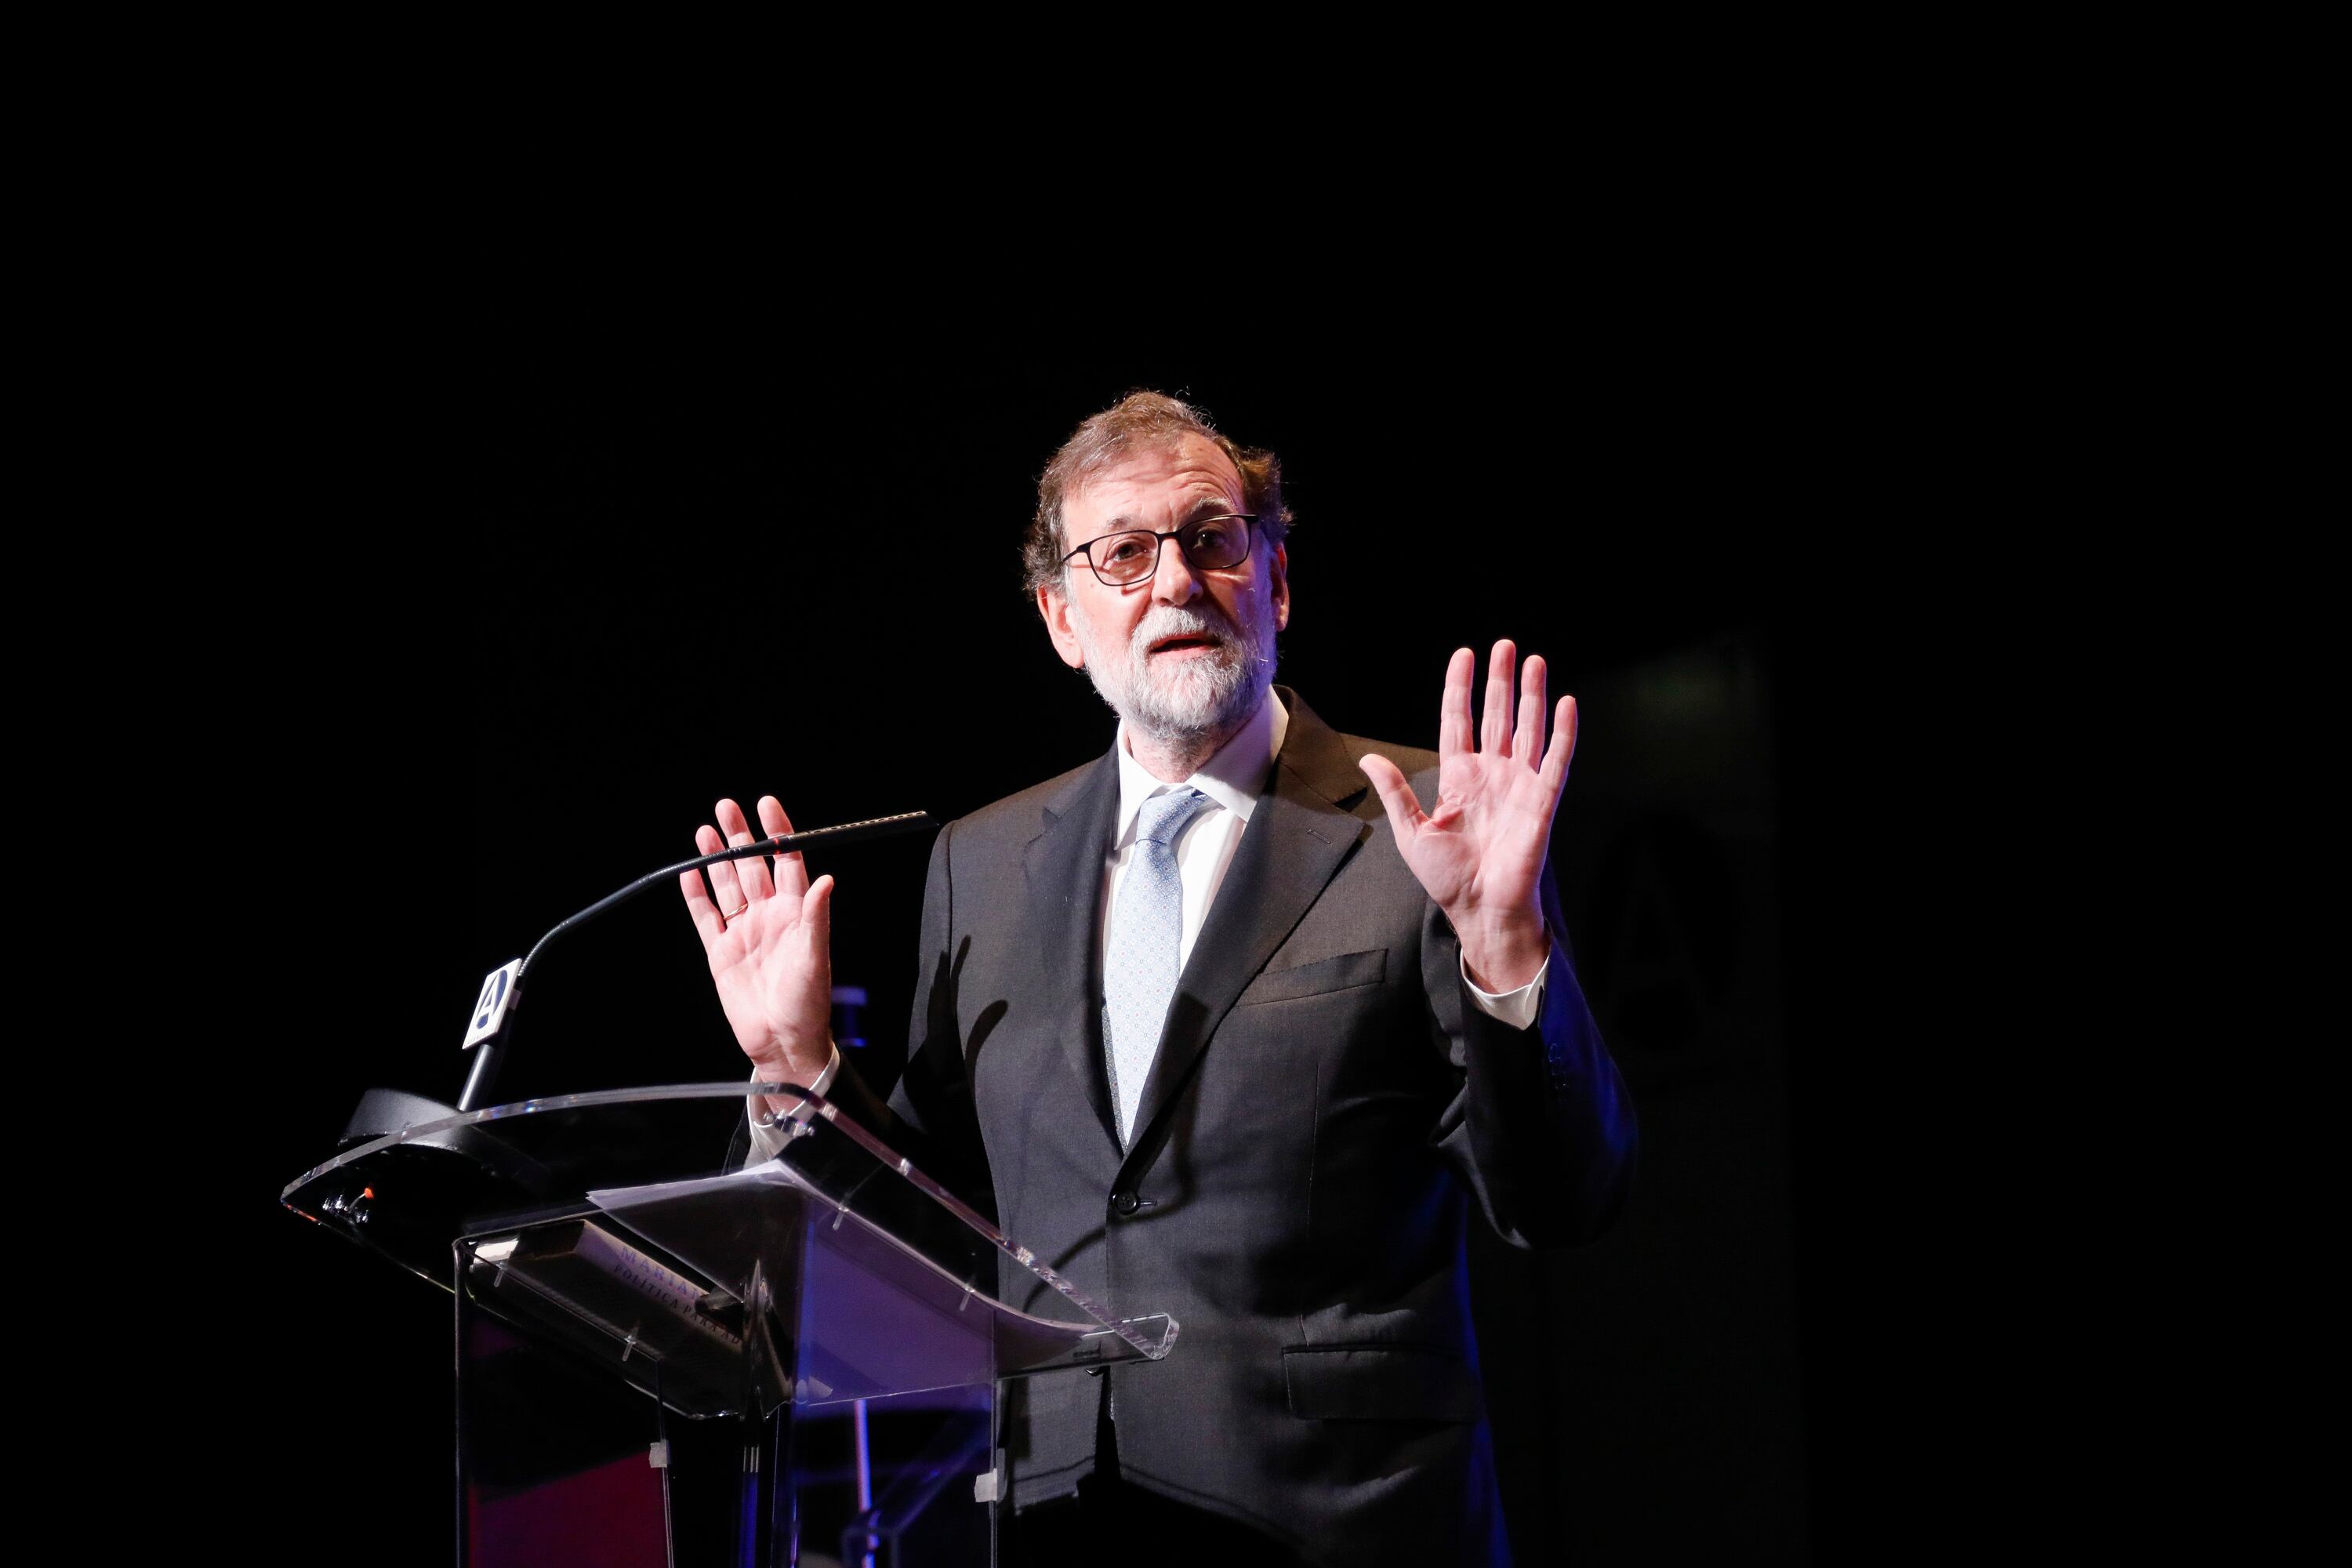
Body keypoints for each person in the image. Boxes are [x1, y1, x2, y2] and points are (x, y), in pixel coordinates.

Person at [676, 392, 1636, 1566]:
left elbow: (1560, 1198)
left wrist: (1507, 947)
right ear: (1062, 620)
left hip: (1345, 1523)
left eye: (1211, 539)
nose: (1175, 581)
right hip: (1051, 1521)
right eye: (1123, 553)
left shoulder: (1428, 820)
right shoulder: (980, 866)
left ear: (1274, 584)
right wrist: (799, 1068)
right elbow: (932, 1241)